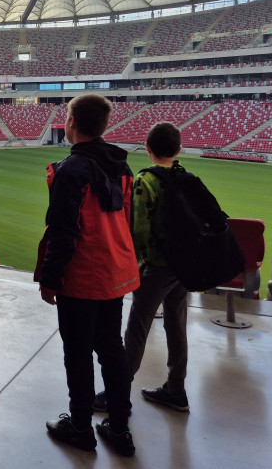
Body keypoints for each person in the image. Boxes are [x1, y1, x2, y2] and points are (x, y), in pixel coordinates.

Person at [39, 94, 139, 458]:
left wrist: (50, 278)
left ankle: (81, 427)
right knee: (112, 348)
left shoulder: (71, 170)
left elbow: (63, 230)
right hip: (116, 271)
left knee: (78, 353)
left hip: (83, 275)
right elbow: (127, 220)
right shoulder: (122, 166)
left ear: (71, 122)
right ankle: (120, 428)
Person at [95, 122, 191, 414]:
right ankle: (176, 389)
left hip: (157, 267)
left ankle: (117, 392)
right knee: (177, 326)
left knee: (136, 329)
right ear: (178, 150)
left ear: (147, 148)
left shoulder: (145, 180)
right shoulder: (185, 176)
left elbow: (137, 231)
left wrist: (131, 267)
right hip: (183, 265)